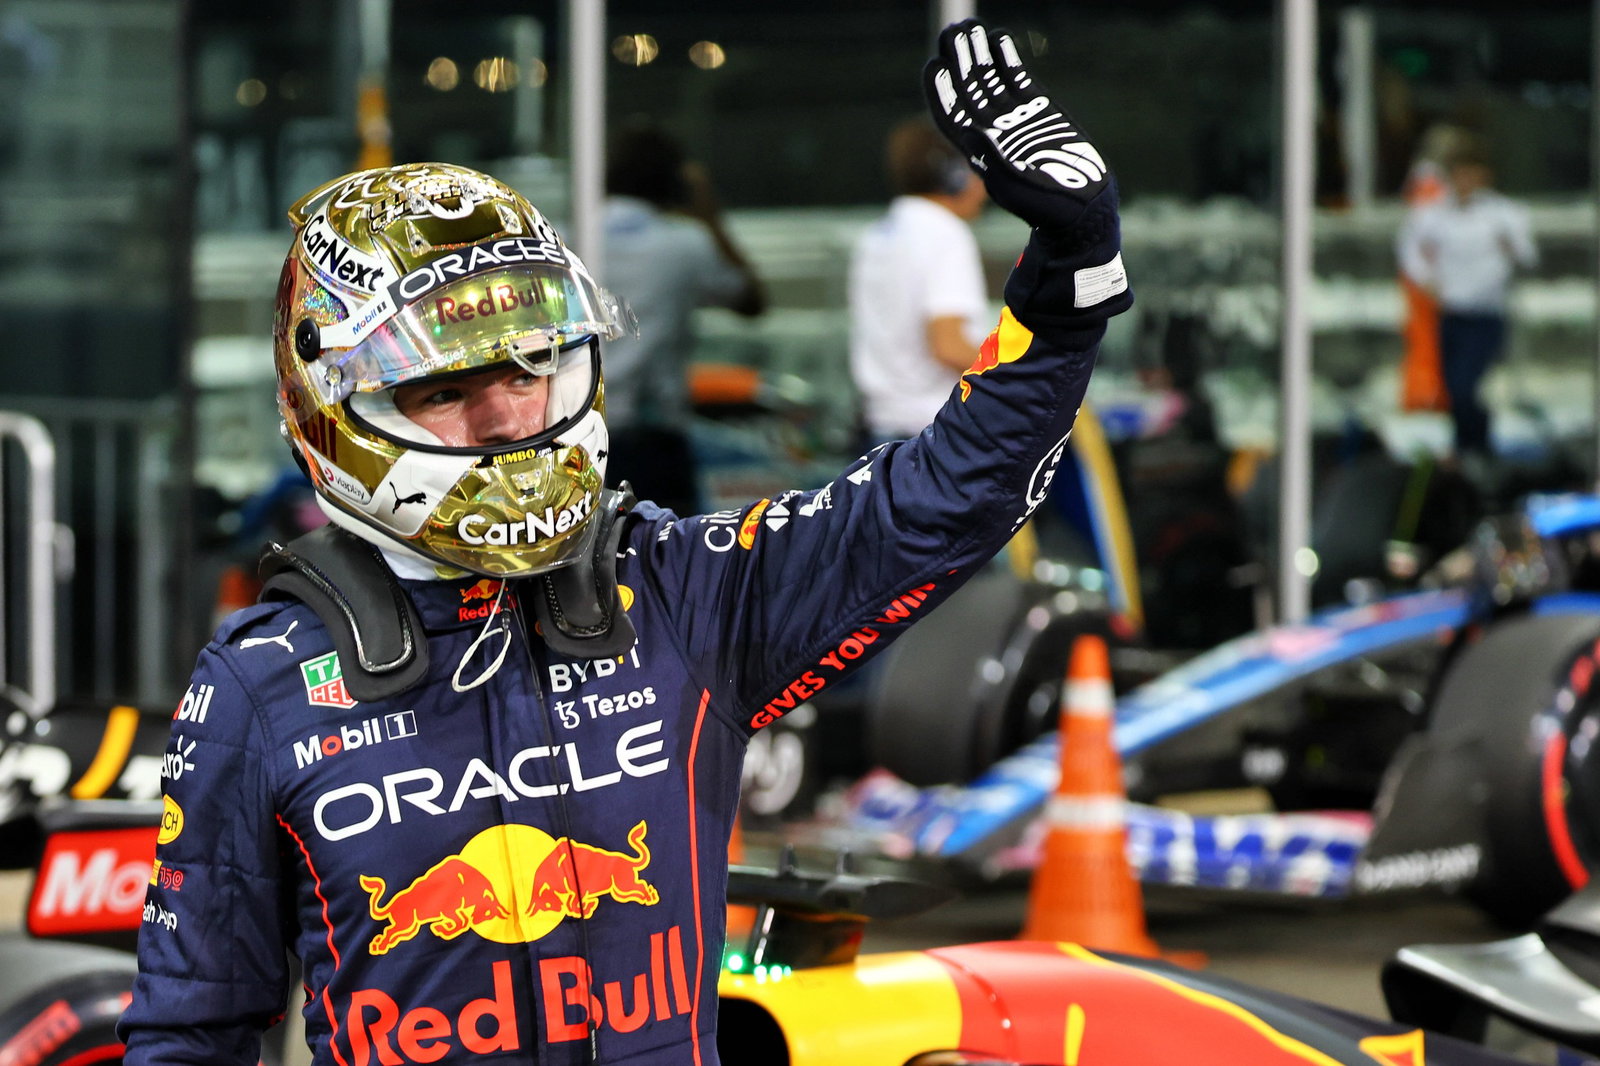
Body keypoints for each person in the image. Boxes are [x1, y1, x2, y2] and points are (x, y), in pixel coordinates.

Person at [117, 20, 1131, 1066]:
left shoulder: (679, 592)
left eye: (527, 369)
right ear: (331, 409)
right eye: (447, 388)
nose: (507, 418)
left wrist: (1069, 279)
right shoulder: (256, 685)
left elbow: (935, 503)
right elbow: (191, 1032)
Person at [601, 122, 765, 514]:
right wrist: (709, 214)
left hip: (585, 427)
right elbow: (751, 301)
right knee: (671, 560)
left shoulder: (569, 233)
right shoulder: (686, 244)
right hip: (654, 435)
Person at [848, 114, 990, 446]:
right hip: (933, 435)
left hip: (881, 430)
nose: (985, 187)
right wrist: (1027, 379)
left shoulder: (878, 234)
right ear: (953, 175)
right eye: (979, 170)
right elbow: (948, 345)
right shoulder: (945, 233)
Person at [1397, 136, 1538, 461]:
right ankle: (1467, 446)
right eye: (1458, 174)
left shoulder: (1503, 213)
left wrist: (1511, 246)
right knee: (1452, 387)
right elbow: (1409, 250)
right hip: (1453, 312)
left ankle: (1477, 442)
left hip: (1487, 313)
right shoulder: (1435, 214)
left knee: (1465, 384)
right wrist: (1426, 281)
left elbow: (1528, 257)